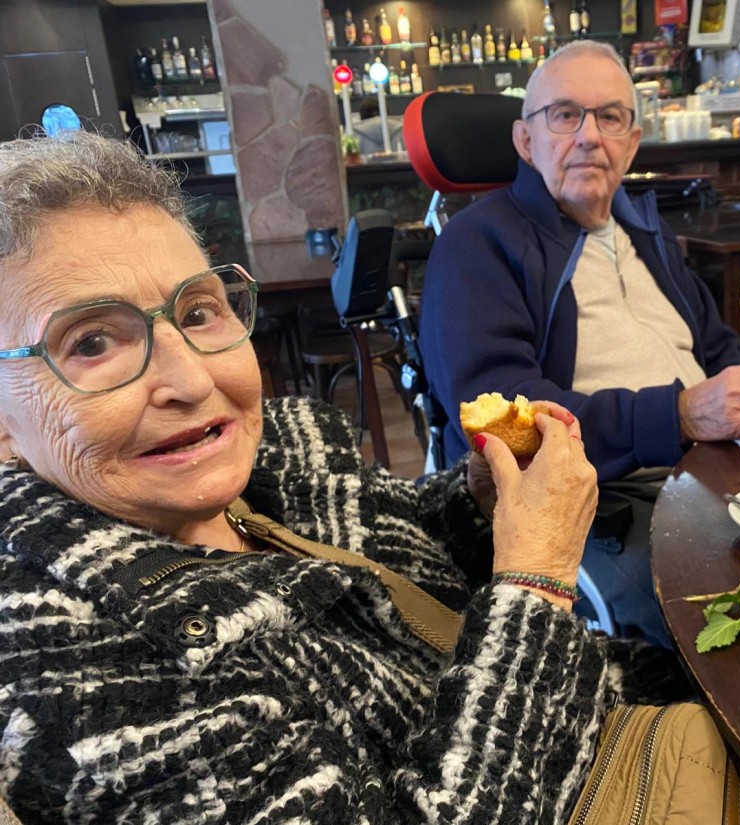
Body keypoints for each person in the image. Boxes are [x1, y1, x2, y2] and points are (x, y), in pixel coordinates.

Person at [0, 132, 687, 822]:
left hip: (620, 700)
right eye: (92, 342)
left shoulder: (279, 448)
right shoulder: (61, 660)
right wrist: (536, 580)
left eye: (198, 311)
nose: (193, 379)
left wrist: (476, 501)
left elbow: (390, 548)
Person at [419, 40, 740, 645]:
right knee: (738, 624)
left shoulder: (647, 231)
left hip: (711, 466)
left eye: (610, 117)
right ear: (526, 140)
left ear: (633, 141)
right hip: (595, 499)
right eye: (565, 115)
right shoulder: (476, 245)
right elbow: (506, 419)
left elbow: (715, 346)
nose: (589, 136)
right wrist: (678, 415)